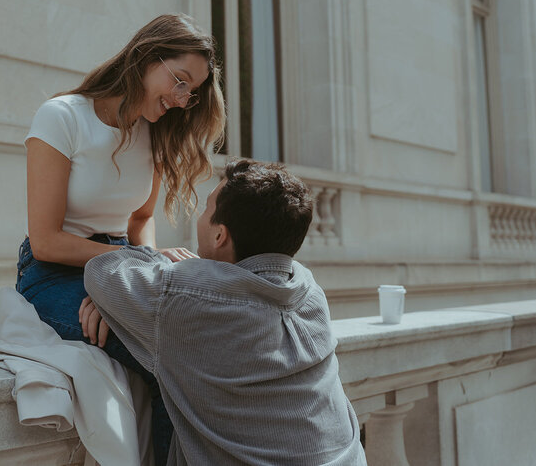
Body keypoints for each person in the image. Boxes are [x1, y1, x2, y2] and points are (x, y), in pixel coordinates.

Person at [15, 13, 225, 465]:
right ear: (147, 57)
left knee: (200, 339)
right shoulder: (61, 117)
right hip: (53, 273)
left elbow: (141, 218)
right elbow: (47, 240)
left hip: (120, 262)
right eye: (180, 80)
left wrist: (140, 263)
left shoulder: (154, 133)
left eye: (192, 91)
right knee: (167, 364)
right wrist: (126, 268)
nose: (183, 97)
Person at [80, 159, 367, 465]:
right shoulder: (309, 291)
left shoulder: (186, 299)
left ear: (220, 236)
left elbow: (100, 272)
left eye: (205, 209)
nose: (199, 218)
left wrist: (141, 287)